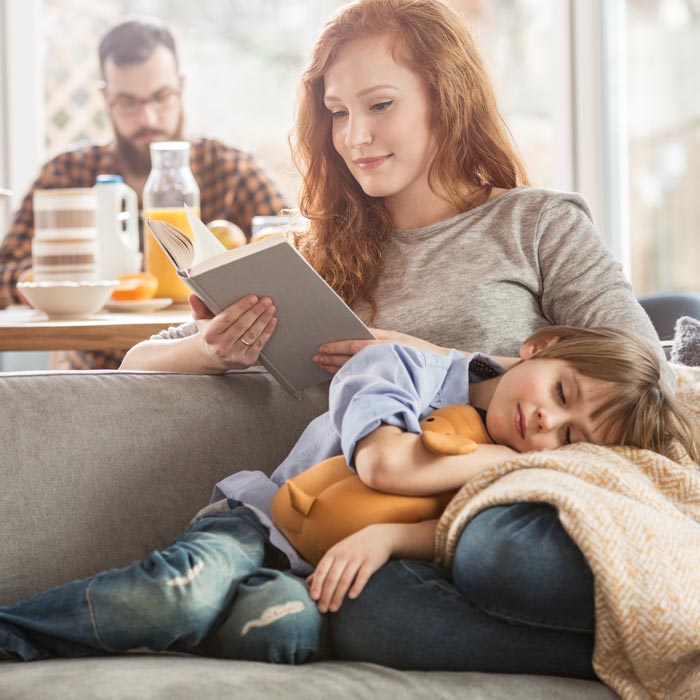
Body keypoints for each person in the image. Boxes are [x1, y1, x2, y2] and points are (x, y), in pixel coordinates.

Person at [120, 0, 669, 679]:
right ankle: (632, 655)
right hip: (381, 540)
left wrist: (431, 357)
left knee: (498, 550)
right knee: (369, 607)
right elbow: (136, 359)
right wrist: (211, 348)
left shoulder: (537, 224)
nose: (355, 136)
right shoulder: (313, 260)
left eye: (380, 105)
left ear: (447, 97)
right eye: (339, 112)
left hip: (506, 514)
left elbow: (655, 383)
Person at [0, 324, 694, 665]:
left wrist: (392, 537)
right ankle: (16, 634)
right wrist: (491, 458)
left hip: (313, 583)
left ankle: (220, 615)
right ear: (541, 347)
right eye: (562, 394)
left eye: (571, 438)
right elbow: (385, 466)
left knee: (289, 629)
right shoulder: (403, 367)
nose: (546, 422)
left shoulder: (525, 473)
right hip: (260, 525)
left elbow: (445, 535)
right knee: (179, 589)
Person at [0, 17, 287, 370]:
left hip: (211, 377)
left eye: (161, 97)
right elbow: (5, 270)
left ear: (181, 87)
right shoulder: (68, 175)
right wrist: (74, 280)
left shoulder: (231, 171)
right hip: (97, 374)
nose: (148, 117)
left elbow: (293, 253)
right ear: (105, 99)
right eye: (128, 103)